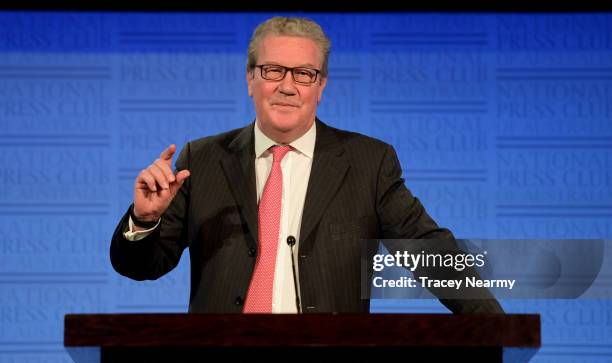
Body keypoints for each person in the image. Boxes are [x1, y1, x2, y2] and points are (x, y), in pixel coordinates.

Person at [110, 16, 503, 314]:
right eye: (273, 70)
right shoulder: (204, 159)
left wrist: (495, 326)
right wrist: (144, 221)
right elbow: (142, 267)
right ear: (250, 79)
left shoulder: (367, 162)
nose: (287, 85)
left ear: (321, 85)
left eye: (303, 73)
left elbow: (427, 250)